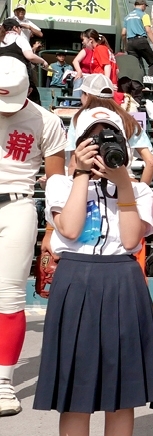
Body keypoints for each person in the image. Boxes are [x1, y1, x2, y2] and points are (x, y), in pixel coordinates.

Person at [35, 107, 153, 436]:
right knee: (75, 396)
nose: (103, 145)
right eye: (94, 136)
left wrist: (123, 178)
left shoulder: (137, 188)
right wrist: (80, 176)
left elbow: (130, 239)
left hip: (122, 279)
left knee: (122, 394)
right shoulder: (60, 182)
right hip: (77, 282)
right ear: (78, 143)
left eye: (111, 136)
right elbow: (69, 230)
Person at [0, 58, 66, 416]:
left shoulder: (46, 120)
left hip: (18, 204)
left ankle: (3, 382)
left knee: (10, 295)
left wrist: (52, 230)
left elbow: (56, 183)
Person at [122, 0, 153, 77]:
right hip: (140, 41)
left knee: (136, 65)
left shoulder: (127, 17)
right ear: (143, 6)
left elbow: (123, 33)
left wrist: (126, 46)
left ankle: (138, 84)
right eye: (145, 6)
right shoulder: (144, 15)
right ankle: (150, 84)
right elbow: (148, 30)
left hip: (130, 42)